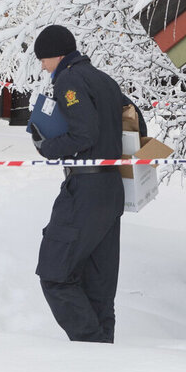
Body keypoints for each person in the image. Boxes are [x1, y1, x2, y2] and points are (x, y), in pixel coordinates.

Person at [27, 24, 127, 343]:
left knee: (55, 274)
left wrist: (46, 146)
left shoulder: (70, 80)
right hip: (112, 190)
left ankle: (90, 344)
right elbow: (134, 117)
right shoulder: (104, 80)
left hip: (85, 190)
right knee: (99, 285)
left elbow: (84, 134)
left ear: (56, 54)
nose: (42, 65)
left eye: (43, 59)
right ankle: (101, 357)